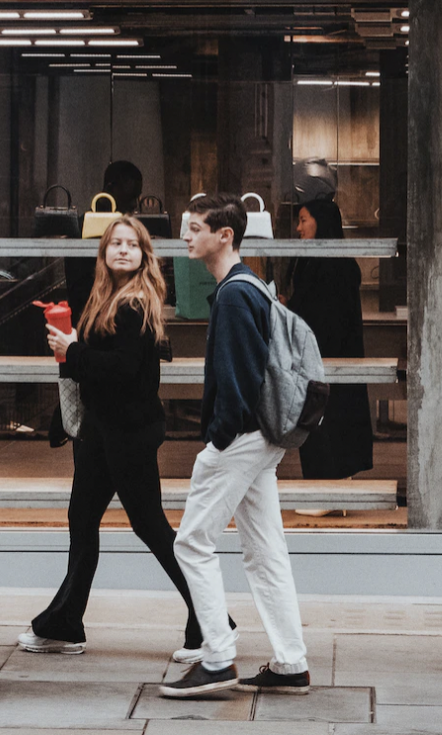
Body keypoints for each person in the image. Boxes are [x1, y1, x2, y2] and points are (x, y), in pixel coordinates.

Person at [18, 216, 211, 659]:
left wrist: (74, 350)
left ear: (145, 255)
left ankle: (210, 621)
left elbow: (124, 371)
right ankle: (65, 623)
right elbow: (96, 368)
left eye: (132, 244)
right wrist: (71, 353)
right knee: (82, 520)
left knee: (152, 528)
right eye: (115, 244)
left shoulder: (136, 304)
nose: (123, 250)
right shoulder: (104, 299)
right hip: (103, 433)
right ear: (103, 253)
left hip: (128, 434)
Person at [161, 193, 311, 698]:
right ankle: (291, 662)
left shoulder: (233, 294)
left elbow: (239, 377)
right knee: (266, 551)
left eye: (196, 227)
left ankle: (218, 656)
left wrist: (217, 442)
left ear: (225, 235)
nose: (187, 235)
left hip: (241, 438)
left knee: (191, 541)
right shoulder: (249, 287)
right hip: (262, 439)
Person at [285, 198, 373, 483]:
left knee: (326, 426)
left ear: (320, 222)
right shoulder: (325, 261)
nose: (299, 228)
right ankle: (328, 486)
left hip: (328, 359)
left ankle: (327, 488)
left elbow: (319, 315)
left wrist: (288, 308)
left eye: (303, 220)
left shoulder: (329, 265)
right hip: (326, 360)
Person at [66, 160, 145, 323]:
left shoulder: (80, 226)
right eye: (130, 196)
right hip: (92, 313)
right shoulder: (82, 228)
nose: (134, 204)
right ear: (111, 189)